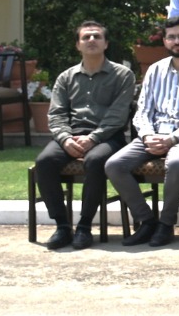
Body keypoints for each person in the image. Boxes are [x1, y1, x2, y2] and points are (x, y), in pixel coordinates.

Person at [104, 15, 179, 247]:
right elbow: (143, 110)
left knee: (176, 163)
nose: (177, 41)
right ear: (165, 41)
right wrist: (147, 136)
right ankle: (146, 221)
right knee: (114, 164)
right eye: (172, 37)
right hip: (153, 134)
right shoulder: (155, 70)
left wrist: (172, 138)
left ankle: (166, 224)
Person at [33, 20, 135, 250]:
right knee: (45, 161)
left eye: (97, 36)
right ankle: (62, 226)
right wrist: (65, 138)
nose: (91, 40)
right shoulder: (65, 77)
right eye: (85, 37)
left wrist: (94, 138)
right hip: (70, 135)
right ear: (77, 45)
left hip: (108, 137)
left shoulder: (122, 75)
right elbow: (56, 114)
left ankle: (84, 226)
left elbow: (118, 115)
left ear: (106, 43)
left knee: (96, 160)